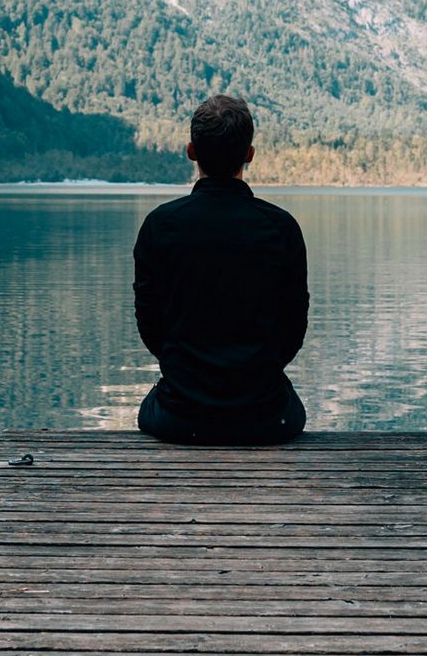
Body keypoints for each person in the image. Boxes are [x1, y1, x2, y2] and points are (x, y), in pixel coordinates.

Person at [130, 92, 309, 445]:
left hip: (179, 416)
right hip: (268, 417)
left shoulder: (160, 225)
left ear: (191, 151)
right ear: (249, 155)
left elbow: (150, 324)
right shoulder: (281, 227)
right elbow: (293, 327)